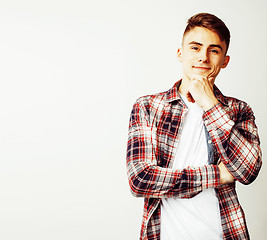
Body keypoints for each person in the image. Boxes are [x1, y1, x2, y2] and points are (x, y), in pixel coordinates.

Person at [126, 13, 262, 240]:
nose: (204, 57)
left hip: (226, 234)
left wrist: (210, 104)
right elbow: (140, 180)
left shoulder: (239, 110)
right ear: (180, 53)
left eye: (214, 50)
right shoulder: (148, 107)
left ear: (225, 61)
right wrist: (218, 174)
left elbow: (248, 171)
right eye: (195, 48)